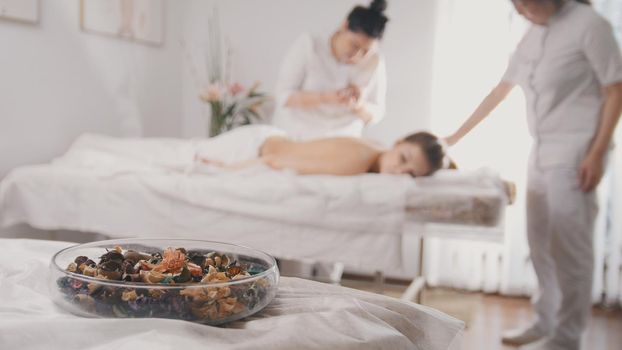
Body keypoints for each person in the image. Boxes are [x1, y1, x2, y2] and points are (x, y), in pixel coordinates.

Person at [444, 1, 622, 349]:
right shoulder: (533, 33)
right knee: (540, 243)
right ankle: (545, 322)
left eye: (526, 2)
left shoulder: (589, 25)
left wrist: (598, 153)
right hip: (540, 150)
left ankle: (567, 336)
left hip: (577, 151)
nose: (521, 10)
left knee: (569, 246)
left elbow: (615, 88)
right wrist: (452, 138)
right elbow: (499, 90)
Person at [271, 0, 389, 140]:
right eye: (354, 45)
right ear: (344, 25)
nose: (358, 55)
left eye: (366, 51)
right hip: (297, 133)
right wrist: (326, 97)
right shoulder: (310, 45)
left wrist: (359, 106)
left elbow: (377, 113)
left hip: (343, 139)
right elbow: (283, 96)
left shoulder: (375, 61)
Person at [196, 125, 451, 177]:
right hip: (251, 146)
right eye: (403, 158)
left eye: (410, 173)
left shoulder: (377, 149)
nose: (399, 171)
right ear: (399, 142)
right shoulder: (357, 161)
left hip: (267, 136)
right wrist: (223, 169)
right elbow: (274, 160)